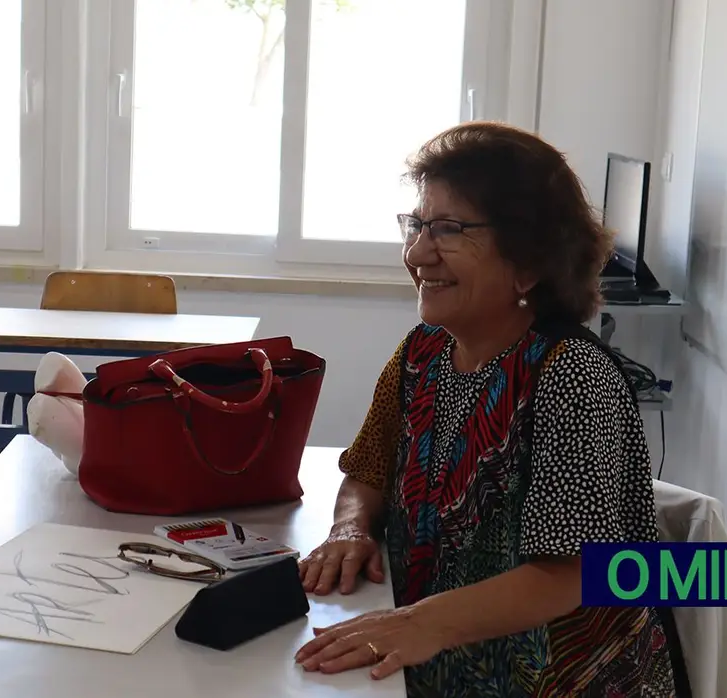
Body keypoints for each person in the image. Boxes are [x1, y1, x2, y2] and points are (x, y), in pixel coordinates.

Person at [292, 121, 681, 697]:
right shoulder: (423, 352)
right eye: (419, 225)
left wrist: (419, 622)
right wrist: (350, 528)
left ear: (529, 260)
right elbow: (368, 468)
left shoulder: (572, 376)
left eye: (450, 230)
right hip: (431, 665)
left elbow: (573, 573)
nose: (418, 252)